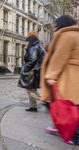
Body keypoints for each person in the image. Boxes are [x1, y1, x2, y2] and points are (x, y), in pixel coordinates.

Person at [41, 15, 79, 144]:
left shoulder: (67, 35)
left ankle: (73, 135)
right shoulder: (76, 34)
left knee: (66, 105)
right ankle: (59, 127)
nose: (55, 28)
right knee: (73, 105)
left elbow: (60, 56)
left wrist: (51, 76)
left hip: (69, 76)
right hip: (75, 75)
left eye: (56, 25)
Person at [18, 32, 45, 112]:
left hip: (33, 71)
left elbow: (32, 60)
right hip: (36, 71)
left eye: (28, 40)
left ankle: (44, 101)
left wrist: (24, 69)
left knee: (30, 90)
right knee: (32, 89)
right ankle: (33, 107)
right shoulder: (38, 46)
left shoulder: (34, 47)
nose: (27, 43)